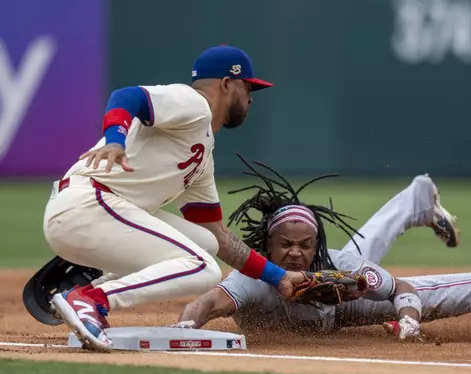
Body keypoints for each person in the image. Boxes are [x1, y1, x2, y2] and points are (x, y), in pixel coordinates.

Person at [44, 45, 309, 352]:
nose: (250, 97)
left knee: (205, 244)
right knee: (203, 268)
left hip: (99, 214)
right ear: (226, 84)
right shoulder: (194, 103)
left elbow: (218, 236)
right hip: (87, 205)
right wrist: (115, 141)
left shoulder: (201, 152)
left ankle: (87, 292)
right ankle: (91, 300)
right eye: (247, 86)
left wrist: (279, 277)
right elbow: (127, 96)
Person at [175, 159, 471, 340]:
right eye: (284, 245)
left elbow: (401, 287)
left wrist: (407, 316)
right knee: (362, 249)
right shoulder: (252, 279)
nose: (294, 253)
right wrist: (186, 329)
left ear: (316, 246)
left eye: (304, 245)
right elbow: (206, 303)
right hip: (331, 306)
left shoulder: (342, 267)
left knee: (451, 292)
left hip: (348, 308)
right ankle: (417, 199)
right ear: (267, 246)